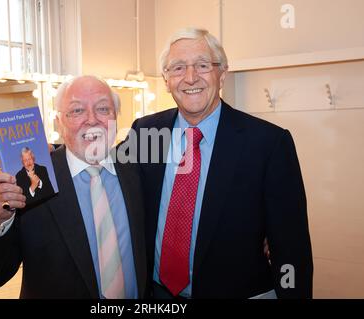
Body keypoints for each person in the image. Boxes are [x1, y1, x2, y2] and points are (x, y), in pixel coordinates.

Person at [126, 27, 313, 298]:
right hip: (157, 294)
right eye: (177, 68)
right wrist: (42, 153)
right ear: (166, 80)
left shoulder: (268, 143)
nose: (190, 78)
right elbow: (100, 167)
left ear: (222, 74)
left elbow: (291, 247)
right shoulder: (146, 132)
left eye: (202, 65)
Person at [0, 75, 147, 299]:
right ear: (58, 123)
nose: (92, 120)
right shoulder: (28, 182)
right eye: (76, 111)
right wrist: (1, 218)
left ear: (116, 118)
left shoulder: (137, 171)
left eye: (103, 109)